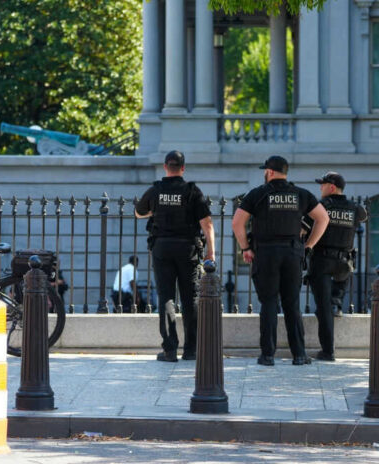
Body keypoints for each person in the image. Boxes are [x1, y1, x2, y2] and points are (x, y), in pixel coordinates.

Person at [232, 156, 330, 366]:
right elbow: (323, 219)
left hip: (266, 253)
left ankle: (268, 355)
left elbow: (237, 223)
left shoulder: (257, 194)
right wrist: (309, 245)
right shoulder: (301, 194)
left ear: (270, 172)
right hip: (292, 253)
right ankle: (299, 354)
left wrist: (246, 248)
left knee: (268, 303)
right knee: (291, 304)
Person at [135, 150, 215, 362]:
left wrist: (156, 211)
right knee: (191, 299)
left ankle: (170, 350)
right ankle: (191, 350)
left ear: (164, 167)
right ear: (183, 168)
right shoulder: (192, 191)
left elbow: (138, 212)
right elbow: (207, 223)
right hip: (187, 249)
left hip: (162, 247)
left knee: (166, 297)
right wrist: (211, 252)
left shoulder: (155, 190)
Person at [305, 172, 367, 361]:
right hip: (344, 263)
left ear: (331, 187)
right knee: (332, 300)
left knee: (322, 308)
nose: (320, 188)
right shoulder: (355, 208)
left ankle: (328, 351)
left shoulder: (321, 207)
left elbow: (306, 226)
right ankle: (337, 302)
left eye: (322, 185)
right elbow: (363, 217)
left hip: (322, 260)